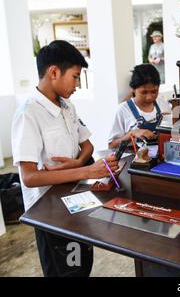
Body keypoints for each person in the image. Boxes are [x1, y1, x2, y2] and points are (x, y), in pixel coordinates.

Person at [11, 40, 119, 277]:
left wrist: (79, 162)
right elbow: (29, 177)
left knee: (82, 264)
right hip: (48, 212)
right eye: (75, 76)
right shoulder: (28, 114)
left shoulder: (68, 107)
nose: (78, 84)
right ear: (53, 72)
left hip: (75, 200)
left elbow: (87, 145)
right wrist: (88, 171)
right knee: (63, 270)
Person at [108, 64, 172, 150]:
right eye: (144, 92)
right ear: (133, 89)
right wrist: (132, 133)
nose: (149, 97)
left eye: (154, 91)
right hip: (135, 159)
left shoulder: (162, 104)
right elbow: (111, 145)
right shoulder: (123, 110)